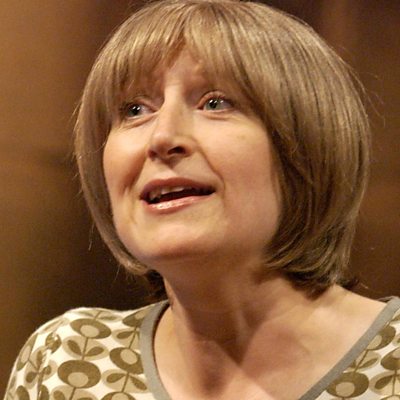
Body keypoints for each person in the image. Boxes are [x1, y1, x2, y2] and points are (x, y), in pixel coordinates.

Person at [4, 1, 400, 399]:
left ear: (308, 146)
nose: (162, 137)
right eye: (136, 110)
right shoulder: (67, 361)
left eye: (215, 103)